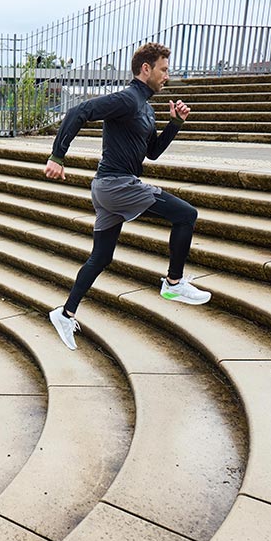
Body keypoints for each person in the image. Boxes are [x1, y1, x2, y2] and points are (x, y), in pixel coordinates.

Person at [44, 42, 211, 351]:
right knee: (186, 215)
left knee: (101, 257)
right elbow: (80, 111)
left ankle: (65, 313)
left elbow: (152, 153)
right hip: (117, 185)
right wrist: (58, 156)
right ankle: (174, 283)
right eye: (163, 70)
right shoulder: (126, 99)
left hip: (110, 188)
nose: (167, 76)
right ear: (145, 69)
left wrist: (175, 123)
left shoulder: (145, 109)